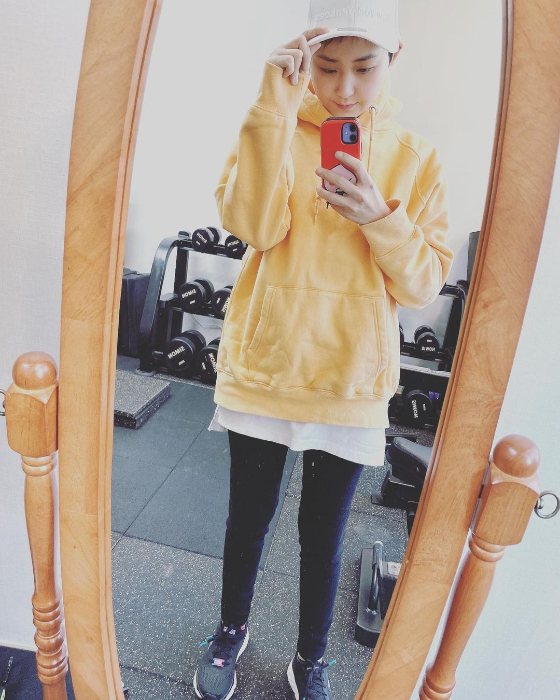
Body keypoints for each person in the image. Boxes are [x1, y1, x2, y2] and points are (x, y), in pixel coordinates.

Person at [194, 1, 454, 698]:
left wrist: (380, 218)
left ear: (392, 60)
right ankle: (230, 630)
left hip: (350, 376)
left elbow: (423, 283)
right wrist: (270, 106)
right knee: (248, 520)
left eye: (363, 68)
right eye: (327, 68)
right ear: (306, 63)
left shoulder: (417, 158)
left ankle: (310, 658)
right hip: (267, 364)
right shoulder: (272, 125)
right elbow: (252, 226)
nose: (343, 88)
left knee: (324, 533)